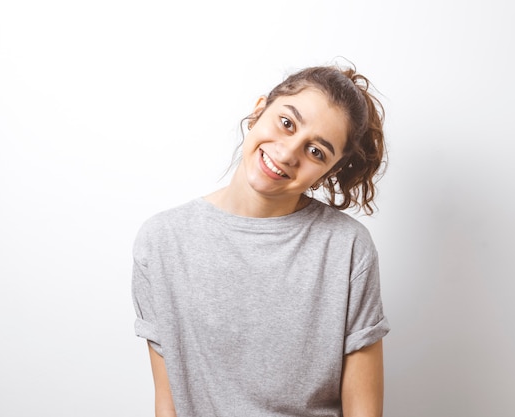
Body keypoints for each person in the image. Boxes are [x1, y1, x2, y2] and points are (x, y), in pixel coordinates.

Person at [132, 62, 390, 417]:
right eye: (287, 123)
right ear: (259, 110)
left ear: (326, 173)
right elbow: (170, 401)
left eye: (316, 152)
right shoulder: (161, 242)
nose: (286, 154)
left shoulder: (347, 248)